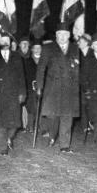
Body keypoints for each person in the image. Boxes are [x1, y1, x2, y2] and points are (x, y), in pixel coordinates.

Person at [35, 22, 80, 153]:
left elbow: (79, 70)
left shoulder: (75, 49)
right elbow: (41, 69)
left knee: (67, 116)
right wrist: (39, 86)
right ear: (56, 36)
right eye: (59, 34)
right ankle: (52, 135)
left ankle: (64, 145)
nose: (61, 37)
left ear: (69, 35)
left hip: (69, 88)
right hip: (53, 87)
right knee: (52, 116)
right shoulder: (48, 48)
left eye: (64, 34)